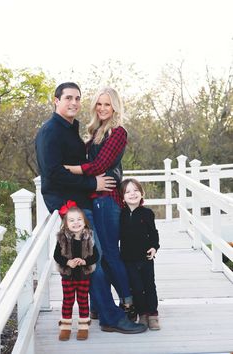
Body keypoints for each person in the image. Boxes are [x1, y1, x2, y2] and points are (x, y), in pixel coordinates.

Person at [35, 82, 146, 334]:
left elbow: (95, 162)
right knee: (92, 255)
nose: (73, 103)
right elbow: (51, 174)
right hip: (69, 205)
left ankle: (102, 307)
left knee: (96, 255)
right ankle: (111, 316)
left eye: (77, 98)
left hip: (84, 200)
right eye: (68, 98)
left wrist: (92, 181)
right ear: (56, 101)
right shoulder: (50, 131)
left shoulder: (73, 130)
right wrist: (91, 181)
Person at [64, 87, 136, 320]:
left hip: (107, 201)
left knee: (111, 254)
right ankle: (98, 304)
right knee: (98, 254)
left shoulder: (118, 133)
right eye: (99, 104)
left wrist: (67, 170)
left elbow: (99, 165)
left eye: (107, 104)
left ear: (115, 107)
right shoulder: (94, 132)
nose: (103, 108)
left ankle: (127, 300)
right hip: (93, 201)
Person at [54, 201, 99, 341]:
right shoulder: (62, 238)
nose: (76, 223)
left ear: (84, 222)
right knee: (68, 301)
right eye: (71, 220)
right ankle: (65, 327)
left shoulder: (89, 237)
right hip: (68, 276)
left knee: (83, 300)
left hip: (83, 276)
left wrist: (85, 261)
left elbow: (95, 256)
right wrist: (68, 262)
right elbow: (57, 255)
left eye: (79, 219)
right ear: (66, 223)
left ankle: (83, 327)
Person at [120, 178, 161, 330]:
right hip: (128, 259)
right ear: (122, 197)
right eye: (128, 191)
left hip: (146, 257)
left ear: (142, 193)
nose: (132, 194)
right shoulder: (121, 214)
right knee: (136, 287)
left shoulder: (147, 213)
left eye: (136, 190)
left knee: (149, 285)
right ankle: (142, 313)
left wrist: (154, 247)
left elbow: (153, 233)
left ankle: (153, 314)